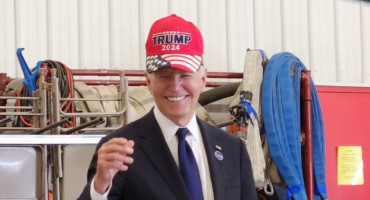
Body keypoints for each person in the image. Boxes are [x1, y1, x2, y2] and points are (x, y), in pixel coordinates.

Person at [78, 14, 257, 200]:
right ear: (148, 82)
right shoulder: (120, 149)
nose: (175, 86)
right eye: (164, 76)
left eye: (185, 75)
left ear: (203, 79)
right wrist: (100, 186)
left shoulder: (233, 150)